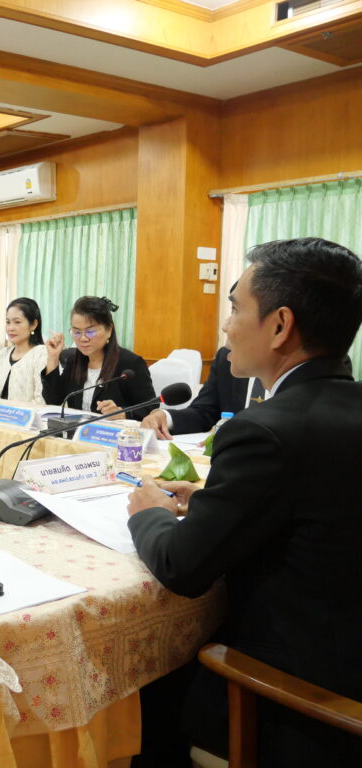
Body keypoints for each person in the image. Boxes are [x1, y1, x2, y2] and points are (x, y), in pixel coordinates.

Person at [126, 238, 362, 768]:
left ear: (280, 325)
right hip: (347, 654)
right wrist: (213, 501)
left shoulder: (264, 432)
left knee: (143, 691)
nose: (225, 327)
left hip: (296, 703)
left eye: (235, 308)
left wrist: (150, 513)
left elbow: (182, 566)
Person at [141, 344, 355, 439]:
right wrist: (166, 417)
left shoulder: (319, 364)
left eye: (237, 311)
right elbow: (205, 411)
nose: (226, 325)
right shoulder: (227, 357)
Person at [41, 296, 156, 420]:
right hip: (78, 430)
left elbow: (150, 408)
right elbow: (53, 400)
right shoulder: (73, 361)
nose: (83, 338)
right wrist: (53, 357)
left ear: (109, 330)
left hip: (112, 431)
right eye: (77, 332)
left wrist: (122, 412)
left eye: (90, 332)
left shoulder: (130, 363)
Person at [0, 297, 48, 403]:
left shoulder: (42, 355)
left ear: (33, 324)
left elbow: (41, 401)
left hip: (27, 413)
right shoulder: (1, 355)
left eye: (17, 322)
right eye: (8, 322)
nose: (10, 328)